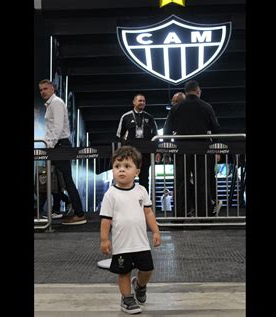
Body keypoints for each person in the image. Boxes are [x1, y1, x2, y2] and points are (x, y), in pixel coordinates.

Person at [100, 146, 161, 314]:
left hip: (141, 243)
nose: (121, 170)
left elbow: (148, 213)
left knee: (147, 269)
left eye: (127, 166)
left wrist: (156, 231)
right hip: (122, 245)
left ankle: (140, 286)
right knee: (124, 272)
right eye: (117, 166)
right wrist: (105, 239)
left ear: (137, 172)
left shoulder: (141, 191)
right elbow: (106, 220)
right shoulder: (110, 194)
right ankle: (127, 298)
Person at [163, 80, 220, 217]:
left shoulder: (176, 108)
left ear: (186, 91)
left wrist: (167, 150)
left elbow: (166, 131)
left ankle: (179, 218)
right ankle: (204, 217)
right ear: (198, 91)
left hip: (181, 150)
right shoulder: (206, 107)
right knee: (202, 184)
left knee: (180, 184)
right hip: (203, 151)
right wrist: (216, 148)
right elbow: (216, 129)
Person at [38, 79, 86, 225]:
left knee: (66, 180)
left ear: (53, 88)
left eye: (45, 88)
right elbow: (51, 128)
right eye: (41, 90)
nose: (43, 92)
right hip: (55, 145)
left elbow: (58, 128)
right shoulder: (51, 104)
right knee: (57, 181)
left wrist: (49, 146)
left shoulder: (56, 102)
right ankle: (57, 209)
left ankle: (79, 213)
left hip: (60, 145)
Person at [116, 94, 161, 192]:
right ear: (134, 102)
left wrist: (157, 151)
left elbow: (155, 136)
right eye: (140, 101)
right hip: (130, 154)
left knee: (144, 179)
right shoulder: (126, 117)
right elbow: (119, 136)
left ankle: (145, 204)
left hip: (146, 154)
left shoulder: (150, 117)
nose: (142, 103)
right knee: (129, 178)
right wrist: (121, 153)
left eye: (144, 101)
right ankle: (128, 202)